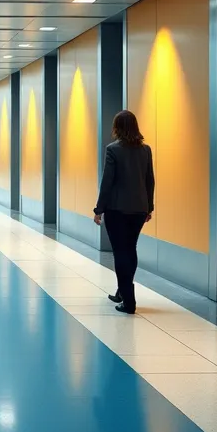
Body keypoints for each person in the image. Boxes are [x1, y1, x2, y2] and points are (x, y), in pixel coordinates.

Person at [93, 110, 154, 314]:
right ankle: (122, 291)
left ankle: (129, 301)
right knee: (130, 249)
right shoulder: (145, 150)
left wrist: (99, 209)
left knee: (120, 251)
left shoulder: (113, 149)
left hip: (117, 209)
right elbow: (150, 180)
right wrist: (149, 206)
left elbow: (107, 182)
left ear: (117, 127)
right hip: (139, 209)